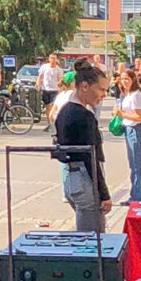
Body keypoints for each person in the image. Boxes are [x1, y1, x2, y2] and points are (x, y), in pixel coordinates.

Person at [52, 63, 110, 232]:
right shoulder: (84, 116)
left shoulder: (64, 110)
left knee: (87, 232)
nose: (103, 95)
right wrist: (104, 194)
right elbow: (90, 158)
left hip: (71, 178)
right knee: (92, 236)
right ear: (85, 86)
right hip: (85, 179)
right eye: (101, 89)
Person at [116, 68, 141, 203]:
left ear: (133, 80)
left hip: (135, 130)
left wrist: (122, 114)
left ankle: (136, 197)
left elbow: (138, 117)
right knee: (135, 165)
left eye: (127, 79)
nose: (124, 81)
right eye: (122, 79)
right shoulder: (126, 94)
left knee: (136, 165)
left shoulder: (136, 94)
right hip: (128, 128)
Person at [36, 53, 63, 132]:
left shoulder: (58, 70)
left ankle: (54, 123)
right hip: (45, 89)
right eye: (51, 58)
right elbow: (40, 76)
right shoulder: (44, 67)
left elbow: (60, 80)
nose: (53, 60)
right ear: (49, 59)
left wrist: (61, 89)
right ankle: (50, 124)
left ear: (56, 59)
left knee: (52, 106)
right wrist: (38, 84)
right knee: (48, 107)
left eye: (54, 58)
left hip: (54, 90)